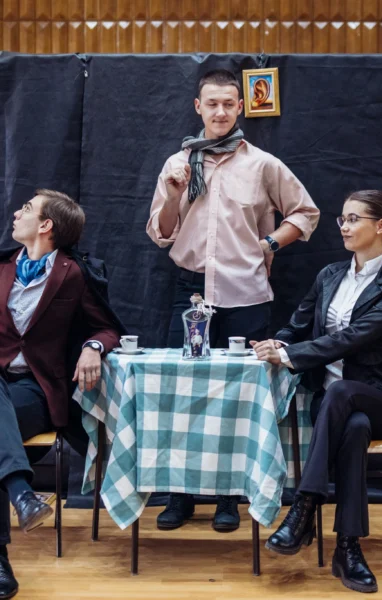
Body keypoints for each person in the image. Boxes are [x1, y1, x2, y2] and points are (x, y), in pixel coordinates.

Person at [147, 69, 320, 532]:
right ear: (198, 107)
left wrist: (269, 244)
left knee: (237, 397)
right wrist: (173, 195)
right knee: (183, 392)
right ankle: (180, 496)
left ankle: (229, 498)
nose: (220, 112)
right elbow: (162, 232)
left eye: (228, 103)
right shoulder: (177, 163)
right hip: (190, 290)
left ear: (240, 108)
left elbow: (306, 212)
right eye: (212, 104)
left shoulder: (263, 164)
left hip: (246, 292)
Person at [251, 189, 382, 594]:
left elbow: (353, 337)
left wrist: (290, 356)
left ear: (380, 226)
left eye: (354, 219)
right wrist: (277, 343)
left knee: (344, 395)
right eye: (342, 219)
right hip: (335, 406)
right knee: (353, 426)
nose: (344, 227)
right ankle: (348, 550)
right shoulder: (329, 275)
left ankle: (304, 505)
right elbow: (296, 325)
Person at [0, 189, 121, 599]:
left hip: (34, 389)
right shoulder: (1, 267)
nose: (16, 214)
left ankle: (2, 549)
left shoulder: (73, 273)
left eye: (26, 209)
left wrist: (93, 347)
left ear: (46, 225)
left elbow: (107, 327)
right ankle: (22, 494)